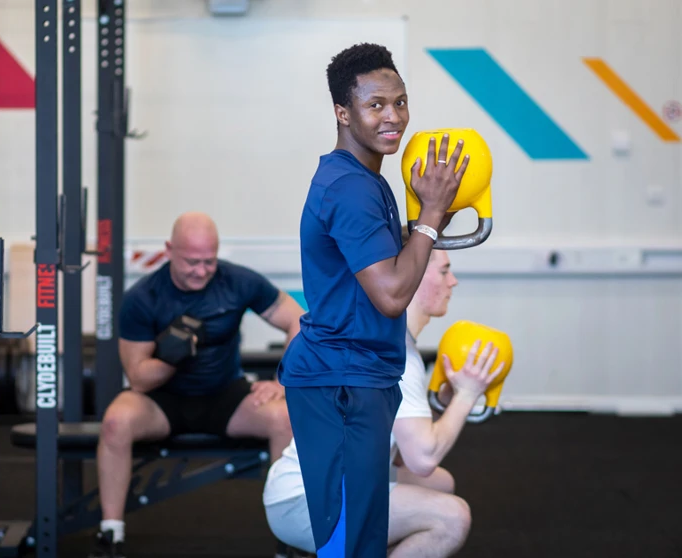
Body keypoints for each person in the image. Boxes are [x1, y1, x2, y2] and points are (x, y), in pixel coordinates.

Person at [277, 42, 471, 557]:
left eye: (401, 102)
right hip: (340, 382)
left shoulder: (368, 180)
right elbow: (390, 295)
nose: (394, 117)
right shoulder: (351, 188)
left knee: (360, 538)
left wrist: (431, 222)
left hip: (360, 375)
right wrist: (429, 217)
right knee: (349, 544)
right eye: (376, 105)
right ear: (343, 113)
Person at [264, 231, 504, 557]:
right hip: (302, 500)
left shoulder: (393, 343)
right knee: (451, 517)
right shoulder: (398, 356)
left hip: (312, 486)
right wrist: (467, 395)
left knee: (440, 483)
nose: (454, 282)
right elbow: (422, 458)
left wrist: (445, 401)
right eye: (445, 271)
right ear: (415, 277)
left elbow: (403, 451)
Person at [88, 212, 305, 558]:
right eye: (192, 262)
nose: (202, 271)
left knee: (285, 417)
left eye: (209, 261)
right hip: (162, 401)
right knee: (116, 422)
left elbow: (297, 319)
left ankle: (290, 536)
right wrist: (172, 357)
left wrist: (283, 378)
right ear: (169, 250)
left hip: (224, 395)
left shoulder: (237, 282)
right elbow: (139, 377)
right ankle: (110, 534)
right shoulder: (144, 298)